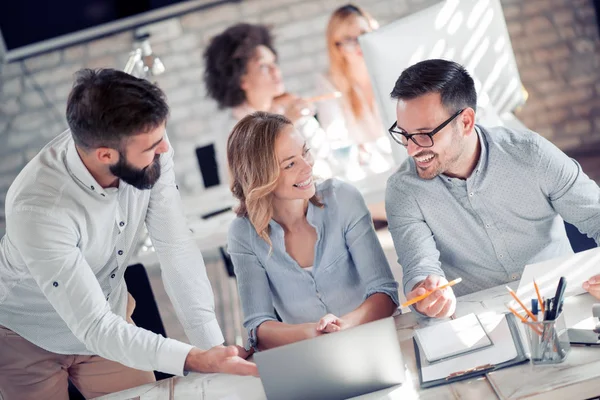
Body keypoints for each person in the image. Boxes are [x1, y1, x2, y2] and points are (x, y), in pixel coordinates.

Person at [0, 69, 256, 400]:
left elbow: (175, 247)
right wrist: (194, 358)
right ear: (106, 155)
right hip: (26, 338)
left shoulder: (151, 150)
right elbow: (92, 327)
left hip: (111, 322)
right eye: (152, 145)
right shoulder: (39, 209)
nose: (165, 147)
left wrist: (213, 351)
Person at [384, 59, 600, 319]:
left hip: (564, 300)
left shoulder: (531, 154)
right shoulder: (403, 190)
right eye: (404, 134)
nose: (411, 149)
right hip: (478, 321)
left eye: (424, 134)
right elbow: (419, 268)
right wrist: (427, 293)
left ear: (465, 121)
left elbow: (596, 214)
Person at [226, 111, 399, 350]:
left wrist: (342, 327)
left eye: (305, 152)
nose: (307, 167)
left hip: (375, 340)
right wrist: (315, 332)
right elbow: (258, 326)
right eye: (290, 164)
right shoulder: (243, 233)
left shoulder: (343, 199)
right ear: (260, 177)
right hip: (311, 357)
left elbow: (385, 293)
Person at [203, 23, 327, 185]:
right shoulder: (234, 129)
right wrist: (288, 124)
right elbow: (248, 183)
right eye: (263, 66)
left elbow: (324, 153)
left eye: (274, 62)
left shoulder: (289, 106)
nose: (276, 71)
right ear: (241, 79)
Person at [317, 4, 386, 154]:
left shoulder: (391, 70)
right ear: (338, 47)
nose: (359, 44)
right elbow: (337, 141)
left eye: (364, 33)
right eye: (349, 39)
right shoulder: (329, 83)